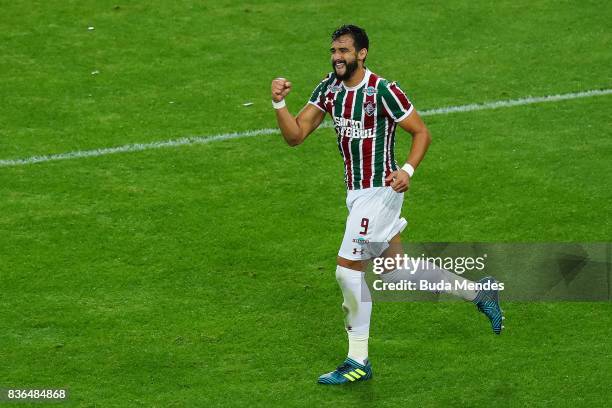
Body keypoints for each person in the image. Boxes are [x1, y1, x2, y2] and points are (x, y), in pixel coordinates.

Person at [271, 24, 504, 385]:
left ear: (361, 53)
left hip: (381, 191)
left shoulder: (382, 90)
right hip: (356, 195)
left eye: (344, 51)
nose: (337, 57)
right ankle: (479, 292)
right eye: (334, 51)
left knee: (347, 271)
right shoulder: (329, 89)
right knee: (394, 270)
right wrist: (279, 103)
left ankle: (358, 360)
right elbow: (295, 136)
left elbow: (421, 131)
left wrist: (408, 169)